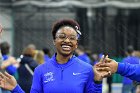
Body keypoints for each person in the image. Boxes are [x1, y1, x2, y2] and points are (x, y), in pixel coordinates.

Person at [0, 19, 110, 93]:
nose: (67, 41)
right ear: (54, 40)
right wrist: (15, 89)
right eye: (62, 36)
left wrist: (97, 81)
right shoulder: (41, 70)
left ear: (76, 44)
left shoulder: (87, 69)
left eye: (72, 38)